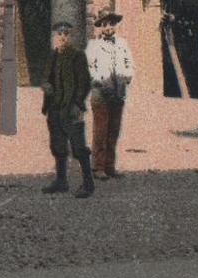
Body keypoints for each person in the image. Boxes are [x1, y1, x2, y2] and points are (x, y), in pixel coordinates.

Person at [41, 21, 95, 199]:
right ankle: (61, 181)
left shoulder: (77, 55)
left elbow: (84, 83)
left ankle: (88, 183)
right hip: (55, 108)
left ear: (70, 37)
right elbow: (47, 78)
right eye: (59, 34)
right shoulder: (53, 55)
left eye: (66, 34)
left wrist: (77, 104)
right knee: (58, 146)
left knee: (79, 147)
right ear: (54, 37)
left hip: (71, 108)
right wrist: (46, 86)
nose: (62, 37)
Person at [86, 11, 134, 179]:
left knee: (114, 129)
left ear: (115, 25)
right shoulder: (94, 45)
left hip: (118, 90)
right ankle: (98, 167)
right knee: (101, 130)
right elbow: (89, 68)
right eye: (105, 25)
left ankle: (110, 166)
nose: (108, 28)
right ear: (101, 27)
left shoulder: (123, 44)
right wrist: (101, 80)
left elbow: (129, 64)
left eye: (111, 24)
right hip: (100, 92)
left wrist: (125, 77)